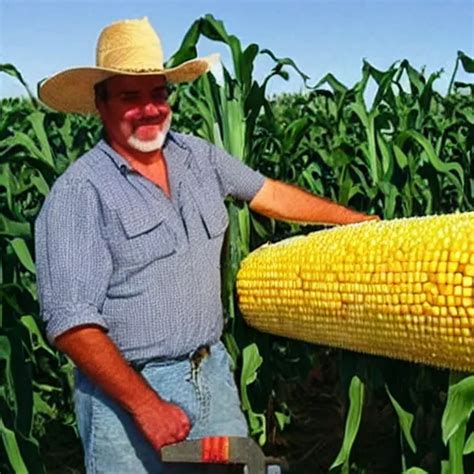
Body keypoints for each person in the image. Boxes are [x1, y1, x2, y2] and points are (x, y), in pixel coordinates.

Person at [35, 17, 379, 474]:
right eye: (129, 97)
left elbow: (269, 194)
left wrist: (360, 223)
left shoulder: (198, 156)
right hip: (129, 394)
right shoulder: (80, 192)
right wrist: (146, 406)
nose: (150, 109)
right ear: (100, 104)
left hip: (211, 375)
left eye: (158, 93)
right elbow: (70, 322)